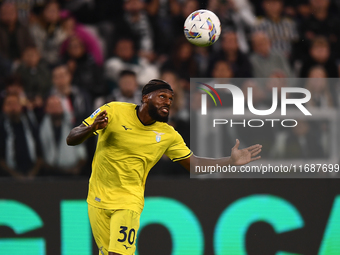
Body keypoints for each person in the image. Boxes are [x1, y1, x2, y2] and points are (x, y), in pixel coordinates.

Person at [66, 79, 262, 255]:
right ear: (145, 97)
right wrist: (92, 128)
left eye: (170, 98)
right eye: (162, 96)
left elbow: (194, 165)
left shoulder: (168, 134)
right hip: (96, 198)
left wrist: (229, 161)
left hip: (128, 201)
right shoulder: (114, 110)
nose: (167, 101)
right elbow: (71, 138)